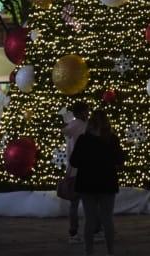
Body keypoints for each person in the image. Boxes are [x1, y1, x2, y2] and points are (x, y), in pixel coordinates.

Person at [70, 110, 124, 256]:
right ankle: (110, 251)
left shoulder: (83, 139)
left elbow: (73, 161)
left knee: (89, 219)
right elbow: (120, 160)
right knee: (107, 218)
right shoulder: (112, 139)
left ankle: (89, 252)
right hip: (107, 182)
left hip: (87, 183)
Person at [64, 102, 91, 244]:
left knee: (76, 203)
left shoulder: (76, 125)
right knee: (87, 202)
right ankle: (90, 231)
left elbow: (65, 133)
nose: (88, 113)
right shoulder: (79, 125)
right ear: (81, 112)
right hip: (81, 169)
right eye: (86, 111)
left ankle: (74, 232)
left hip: (75, 168)